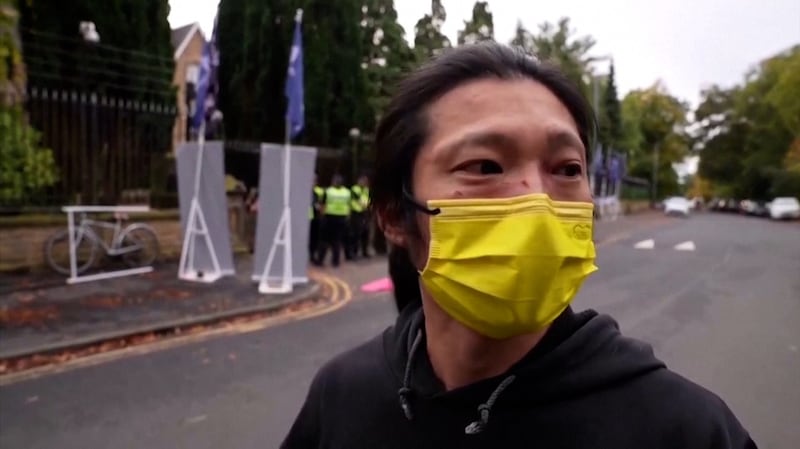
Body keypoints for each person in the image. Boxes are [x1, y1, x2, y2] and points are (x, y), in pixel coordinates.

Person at [282, 43, 756, 448]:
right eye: (485, 166)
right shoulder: (342, 397)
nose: (538, 202)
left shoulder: (686, 430)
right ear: (393, 214)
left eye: (567, 169)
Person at [317, 174, 350, 267]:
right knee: (337, 240)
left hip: (329, 217)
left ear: (333, 182)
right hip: (342, 218)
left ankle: (320, 260)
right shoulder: (347, 192)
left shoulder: (328, 191)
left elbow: (322, 205)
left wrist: (321, 216)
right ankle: (336, 261)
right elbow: (348, 205)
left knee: (324, 240)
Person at [348, 173, 371, 259]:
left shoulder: (367, 190)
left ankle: (365, 252)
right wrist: (367, 205)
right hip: (356, 213)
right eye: (363, 180)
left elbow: (369, 199)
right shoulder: (354, 189)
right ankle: (354, 252)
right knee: (356, 233)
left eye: (366, 181)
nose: (365, 182)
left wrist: (368, 206)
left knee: (366, 232)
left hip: (365, 213)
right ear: (358, 181)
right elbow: (359, 200)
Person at [309, 175, 325, 265]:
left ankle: (312, 255)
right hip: (306, 218)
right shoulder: (304, 191)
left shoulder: (317, 192)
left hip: (315, 217)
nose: (313, 183)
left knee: (314, 238)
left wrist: (320, 208)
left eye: (314, 181)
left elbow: (321, 204)